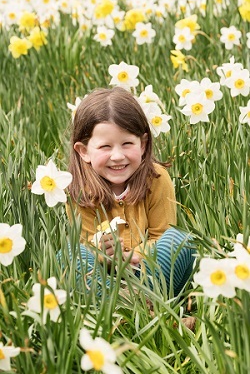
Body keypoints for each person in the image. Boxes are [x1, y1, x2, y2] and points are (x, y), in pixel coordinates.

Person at [63, 86, 195, 296]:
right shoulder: (77, 191)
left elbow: (161, 236)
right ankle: (120, 306)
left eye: (127, 144)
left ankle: (141, 300)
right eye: (105, 147)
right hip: (104, 279)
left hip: (152, 272)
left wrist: (131, 256)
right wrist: (101, 253)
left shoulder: (157, 179)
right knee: (70, 254)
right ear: (84, 151)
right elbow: (87, 247)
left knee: (180, 240)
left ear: (142, 145)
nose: (117, 156)